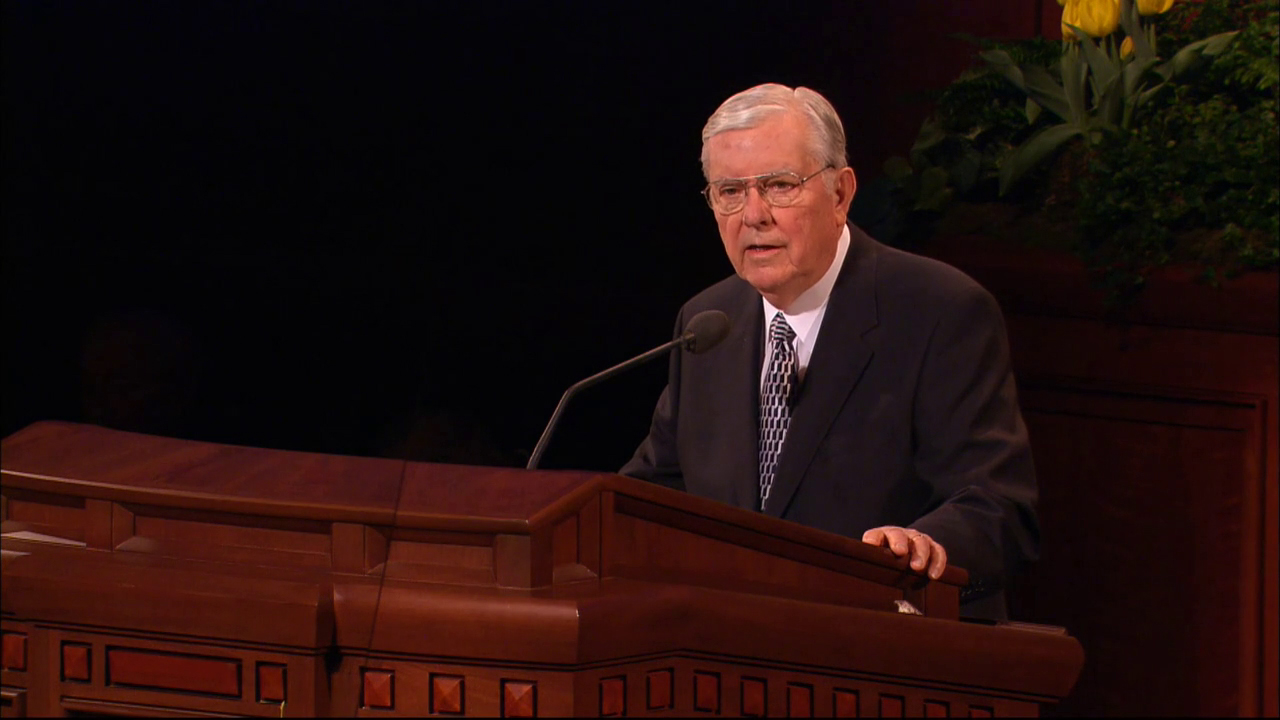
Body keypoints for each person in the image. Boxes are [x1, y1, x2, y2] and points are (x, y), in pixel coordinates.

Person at [619, 83, 1038, 621]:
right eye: (730, 191)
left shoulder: (940, 311)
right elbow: (654, 492)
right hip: (733, 642)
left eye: (779, 185)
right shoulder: (707, 324)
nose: (754, 214)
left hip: (888, 643)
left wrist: (925, 547)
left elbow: (998, 506)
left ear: (840, 194)